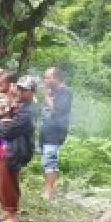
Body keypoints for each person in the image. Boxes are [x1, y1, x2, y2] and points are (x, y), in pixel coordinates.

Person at [0, 74, 37, 222]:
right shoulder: (19, 106)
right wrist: (1, 123)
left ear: (32, 92)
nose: (20, 92)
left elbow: (8, 131)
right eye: (19, 88)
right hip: (4, 147)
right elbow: (4, 124)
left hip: (15, 150)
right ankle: (4, 212)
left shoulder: (29, 111)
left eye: (24, 90)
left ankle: (12, 215)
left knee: (8, 180)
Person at [38, 67, 73, 199]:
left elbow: (58, 109)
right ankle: (50, 188)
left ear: (56, 78)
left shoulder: (66, 92)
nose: (45, 80)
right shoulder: (51, 91)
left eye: (47, 77)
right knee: (47, 161)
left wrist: (46, 97)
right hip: (46, 131)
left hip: (56, 132)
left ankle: (49, 191)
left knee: (50, 161)